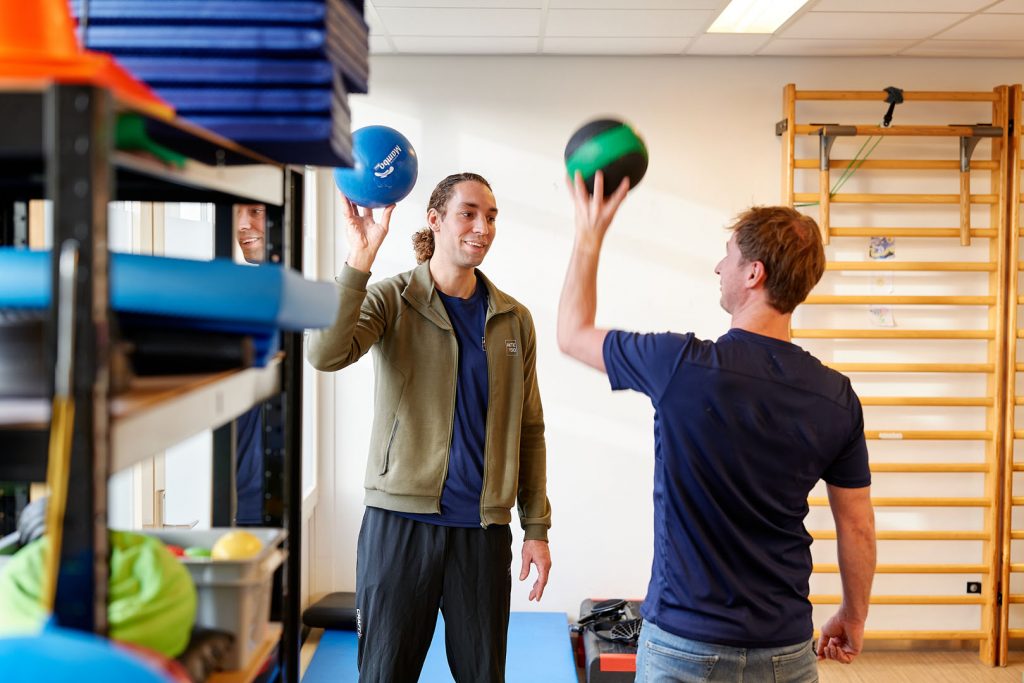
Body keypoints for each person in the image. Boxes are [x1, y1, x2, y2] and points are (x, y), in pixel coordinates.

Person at [557, 171, 876, 682]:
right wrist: (854, 617)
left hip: (685, 646)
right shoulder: (836, 396)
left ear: (753, 273)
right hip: (786, 650)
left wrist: (590, 234)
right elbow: (856, 524)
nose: (717, 266)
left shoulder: (682, 365)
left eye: (727, 256)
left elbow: (572, 334)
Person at [308, 172, 552, 682]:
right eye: (469, 213)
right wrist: (360, 258)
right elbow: (324, 353)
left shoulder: (514, 319)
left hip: (482, 533)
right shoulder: (391, 299)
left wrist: (536, 526)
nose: (482, 227)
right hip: (399, 526)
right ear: (435, 220)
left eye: (491, 217)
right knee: (384, 675)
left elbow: (530, 428)